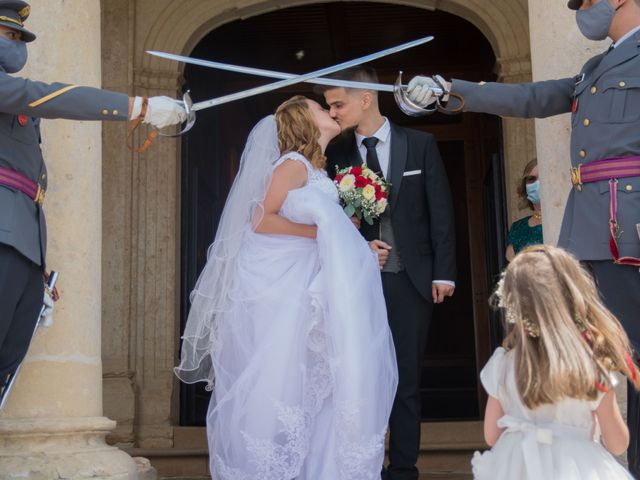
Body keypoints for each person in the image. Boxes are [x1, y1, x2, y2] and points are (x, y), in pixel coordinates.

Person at [406, 0, 640, 472]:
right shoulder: (597, 66)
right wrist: (450, 91)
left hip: (629, 229)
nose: (584, 10)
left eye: (589, 1)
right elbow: (531, 98)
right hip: (596, 233)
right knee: (619, 363)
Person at [175, 96, 398, 479]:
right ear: (304, 122)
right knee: (284, 378)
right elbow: (261, 219)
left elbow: (323, 233)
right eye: (318, 107)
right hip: (287, 289)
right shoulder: (293, 165)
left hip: (308, 283)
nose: (329, 111)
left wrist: (355, 246)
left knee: (313, 382)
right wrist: (322, 233)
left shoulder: (314, 170)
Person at [0, 0, 187, 403]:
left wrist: (36, 267)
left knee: (6, 361)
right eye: (7, 34)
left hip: (19, 240)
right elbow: (47, 97)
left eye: (18, 36)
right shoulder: (10, 90)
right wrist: (140, 108)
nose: (14, 43)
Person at [321, 67, 456, 480]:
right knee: (357, 377)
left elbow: (441, 211)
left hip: (410, 280)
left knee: (406, 379)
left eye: (338, 103)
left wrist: (444, 273)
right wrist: (358, 249)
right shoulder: (334, 152)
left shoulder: (421, 144)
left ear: (366, 99)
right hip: (353, 285)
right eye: (328, 106)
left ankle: (402, 470)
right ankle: (360, 466)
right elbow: (326, 217)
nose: (333, 112)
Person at [473, 245, 640, 480]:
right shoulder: (591, 367)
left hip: (518, 469)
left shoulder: (502, 365)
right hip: (578, 468)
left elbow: (492, 435)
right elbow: (617, 444)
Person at [505, 160, 543, 262]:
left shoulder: (568, 221)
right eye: (532, 179)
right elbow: (513, 270)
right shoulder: (518, 229)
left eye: (543, 177)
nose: (538, 183)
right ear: (525, 187)